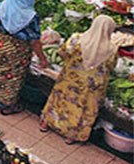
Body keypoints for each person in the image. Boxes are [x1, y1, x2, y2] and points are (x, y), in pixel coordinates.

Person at [40, 15, 117, 144]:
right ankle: (71, 135)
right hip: (92, 86)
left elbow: (62, 53)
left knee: (60, 100)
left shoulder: (76, 39)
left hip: (70, 79)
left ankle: (47, 123)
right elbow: (111, 67)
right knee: (82, 108)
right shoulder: (112, 49)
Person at [0, 0, 49, 115]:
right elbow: (35, 41)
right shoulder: (30, 17)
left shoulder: (1, 6)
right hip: (18, 52)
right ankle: (6, 105)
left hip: (0, 44)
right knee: (12, 77)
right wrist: (42, 58)